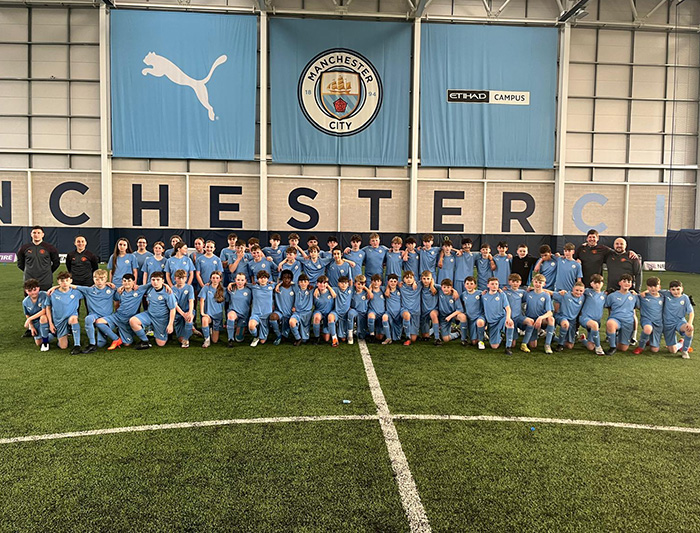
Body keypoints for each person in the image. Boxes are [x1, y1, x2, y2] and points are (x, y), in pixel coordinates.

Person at [71, 269, 116, 353]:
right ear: (93, 279)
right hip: (94, 315)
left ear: (106, 279)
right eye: (97, 279)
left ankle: (112, 337)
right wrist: (54, 287)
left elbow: (122, 292)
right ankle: (92, 344)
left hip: (107, 318)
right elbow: (70, 285)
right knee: (88, 318)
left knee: (101, 344)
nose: (99, 281)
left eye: (102, 279)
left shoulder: (112, 289)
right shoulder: (89, 290)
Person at [129, 271, 176, 349]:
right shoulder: (149, 288)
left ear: (163, 281)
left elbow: (172, 309)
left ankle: (160, 331)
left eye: (158, 280)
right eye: (153, 280)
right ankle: (145, 341)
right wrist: (122, 287)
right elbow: (133, 288)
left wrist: (170, 324)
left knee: (160, 344)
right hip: (149, 315)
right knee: (133, 321)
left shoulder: (168, 292)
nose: (155, 282)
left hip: (161, 319)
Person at [46, 271, 83, 354]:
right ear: (58, 282)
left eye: (67, 280)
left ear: (71, 281)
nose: (65, 283)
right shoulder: (52, 293)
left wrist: (106, 284)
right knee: (63, 346)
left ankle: (77, 345)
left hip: (71, 317)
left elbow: (90, 290)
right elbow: (48, 308)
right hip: (59, 321)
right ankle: (54, 334)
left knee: (74, 319)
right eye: (62, 281)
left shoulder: (76, 292)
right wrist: (51, 324)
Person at [17, 226, 60, 299]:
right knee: (30, 302)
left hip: (45, 281)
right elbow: (20, 264)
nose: (36, 235)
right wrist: (29, 270)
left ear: (42, 234)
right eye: (34, 233)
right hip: (29, 280)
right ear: (31, 234)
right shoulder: (24, 248)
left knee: (46, 302)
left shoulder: (50, 248)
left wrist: (48, 271)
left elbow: (56, 263)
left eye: (38, 233)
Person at [604, 273, 638, 355]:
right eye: (624, 281)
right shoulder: (612, 296)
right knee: (610, 323)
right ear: (619, 283)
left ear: (631, 284)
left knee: (623, 348)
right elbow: (607, 306)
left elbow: (638, 307)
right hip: (616, 319)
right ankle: (612, 347)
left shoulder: (634, 296)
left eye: (629, 282)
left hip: (628, 322)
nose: (627, 283)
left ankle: (616, 337)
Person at [521, 273, 555, 353]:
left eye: (540, 283)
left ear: (544, 284)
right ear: (532, 281)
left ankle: (547, 344)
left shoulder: (546, 295)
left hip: (541, 320)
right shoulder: (528, 293)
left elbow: (550, 312)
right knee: (533, 345)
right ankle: (538, 333)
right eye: (536, 282)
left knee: (551, 319)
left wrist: (540, 318)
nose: (537, 284)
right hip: (531, 321)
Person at [661, 280, 694, 359]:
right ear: (670, 290)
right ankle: (681, 344)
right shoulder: (666, 294)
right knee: (673, 351)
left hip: (679, 321)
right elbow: (654, 290)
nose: (676, 292)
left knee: (689, 329)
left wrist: (689, 323)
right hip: (667, 324)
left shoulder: (685, 298)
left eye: (678, 289)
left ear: (682, 289)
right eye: (673, 289)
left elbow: (691, 312)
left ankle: (685, 351)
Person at [481, 277, 515, 354]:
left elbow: (508, 308)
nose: (494, 286)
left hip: (501, 318)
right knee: (494, 346)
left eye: (496, 284)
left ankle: (508, 347)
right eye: (492, 284)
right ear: (488, 285)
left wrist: (508, 318)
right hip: (492, 323)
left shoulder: (502, 295)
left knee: (510, 323)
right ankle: (501, 336)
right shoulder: (483, 296)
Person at [634, 277, 664, 355]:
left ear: (659, 287)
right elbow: (634, 296)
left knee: (654, 350)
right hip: (646, 319)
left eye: (655, 286)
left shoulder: (663, 297)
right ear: (647, 287)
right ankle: (641, 347)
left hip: (658, 323)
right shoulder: (643, 296)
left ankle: (649, 340)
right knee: (648, 329)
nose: (653, 288)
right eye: (650, 286)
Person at [579, 273, 607, 356]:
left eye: (599, 283)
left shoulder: (605, 295)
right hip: (585, 318)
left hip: (596, 321)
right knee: (594, 325)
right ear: (591, 284)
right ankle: (598, 347)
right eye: (595, 283)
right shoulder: (587, 291)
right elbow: (576, 291)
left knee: (590, 347)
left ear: (602, 284)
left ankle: (583, 339)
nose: (597, 285)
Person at [552, 282, 585, 351]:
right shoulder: (565, 295)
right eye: (576, 290)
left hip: (572, 321)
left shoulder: (583, 297)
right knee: (565, 324)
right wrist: (533, 288)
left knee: (569, 346)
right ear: (573, 289)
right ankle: (560, 345)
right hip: (561, 316)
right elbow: (550, 293)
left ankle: (554, 338)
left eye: (581, 291)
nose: (578, 292)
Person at [22, 278, 52, 350]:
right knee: (38, 343)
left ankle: (46, 342)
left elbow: (44, 311)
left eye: (35, 289)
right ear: (26, 291)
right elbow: (27, 314)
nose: (33, 292)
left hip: (47, 319)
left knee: (43, 317)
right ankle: (50, 335)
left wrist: (29, 319)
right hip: (35, 322)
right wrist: (31, 326)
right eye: (29, 291)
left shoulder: (44, 295)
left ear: (38, 288)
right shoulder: (25, 302)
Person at [200, 271, 227, 348]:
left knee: (215, 341)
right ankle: (207, 339)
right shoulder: (206, 288)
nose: (215, 280)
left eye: (217, 278)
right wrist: (202, 313)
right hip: (208, 315)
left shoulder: (224, 290)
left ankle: (211, 329)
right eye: (213, 278)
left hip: (218, 316)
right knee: (204, 319)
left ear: (220, 279)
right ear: (210, 279)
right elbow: (202, 300)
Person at [437, 279, 468, 345]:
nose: (446, 289)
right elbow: (431, 284)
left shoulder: (454, 296)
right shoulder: (439, 290)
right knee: (446, 339)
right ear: (441, 287)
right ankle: (457, 333)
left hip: (453, 315)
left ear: (451, 287)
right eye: (444, 287)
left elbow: (460, 309)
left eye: (448, 287)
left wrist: (450, 316)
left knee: (462, 316)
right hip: (443, 317)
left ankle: (464, 338)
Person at [248, 270, 275, 347]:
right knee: (251, 326)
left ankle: (262, 334)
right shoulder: (254, 286)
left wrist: (276, 284)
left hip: (266, 315)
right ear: (257, 279)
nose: (263, 280)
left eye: (264, 278)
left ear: (268, 279)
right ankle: (256, 336)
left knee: (262, 341)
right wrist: (231, 283)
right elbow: (242, 283)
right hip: (256, 314)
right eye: (260, 278)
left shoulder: (272, 286)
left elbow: (282, 283)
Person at [270, 269, 295, 345]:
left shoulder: (295, 287)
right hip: (279, 312)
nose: (286, 280)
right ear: (281, 278)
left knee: (286, 337)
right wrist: (278, 285)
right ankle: (278, 335)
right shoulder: (276, 287)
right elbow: (266, 284)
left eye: (289, 278)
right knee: (273, 317)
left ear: (291, 279)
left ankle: (287, 333)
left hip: (291, 314)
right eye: (284, 278)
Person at [461, 276, 486, 349]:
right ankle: (481, 333)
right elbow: (460, 303)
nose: (469, 285)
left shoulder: (480, 293)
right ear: (464, 285)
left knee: (480, 322)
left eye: (471, 284)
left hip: (479, 317)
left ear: (475, 285)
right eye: (467, 284)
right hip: (470, 319)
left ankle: (481, 341)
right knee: (474, 342)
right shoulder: (463, 294)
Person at [172, 269, 195, 348]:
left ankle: (186, 339)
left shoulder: (189, 287)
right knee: (180, 338)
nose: (181, 280)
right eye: (179, 278)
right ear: (175, 278)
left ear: (186, 278)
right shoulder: (172, 289)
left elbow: (191, 301)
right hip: (178, 313)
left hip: (188, 310)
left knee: (189, 319)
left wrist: (190, 312)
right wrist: (182, 314)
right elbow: (174, 304)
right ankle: (191, 330)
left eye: (183, 278)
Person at [290, 273, 313, 346]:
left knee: (305, 340)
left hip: (307, 313)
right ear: (298, 283)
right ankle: (298, 338)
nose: (303, 283)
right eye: (301, 281)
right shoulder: (296, 288)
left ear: (308, 282)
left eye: (305, 281)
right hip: (297, 313)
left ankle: (304, 336)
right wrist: (278, 285)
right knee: (292, 322)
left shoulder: (312, 289)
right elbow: (286, 282)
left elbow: (322, 285)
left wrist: (316, 290)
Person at [399, 271, 420, 346]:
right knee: (407, 315)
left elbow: (430, 279)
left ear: (414, 278)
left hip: (415, 312)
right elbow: (390, 285)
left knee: (413, 339)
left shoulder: (418, 285)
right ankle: (407, 337)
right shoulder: (401, 286)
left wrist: (414, 282)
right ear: (403, 279)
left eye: (411, 278)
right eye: (406, 278)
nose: (409, 280)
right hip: (405, 309)